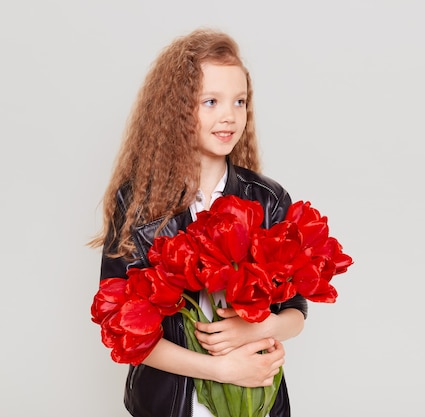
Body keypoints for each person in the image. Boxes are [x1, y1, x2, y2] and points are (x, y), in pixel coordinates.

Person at [89, 28, 308, 417]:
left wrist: (256, 330)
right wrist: (220, 368)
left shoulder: (268, 198)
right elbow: (124, 326)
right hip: (168, 405)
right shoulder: (137, 202)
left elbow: (295, 312)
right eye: (211, 101)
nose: (229, 116)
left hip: (257, 401)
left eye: (239, 102)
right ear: (176, 110)